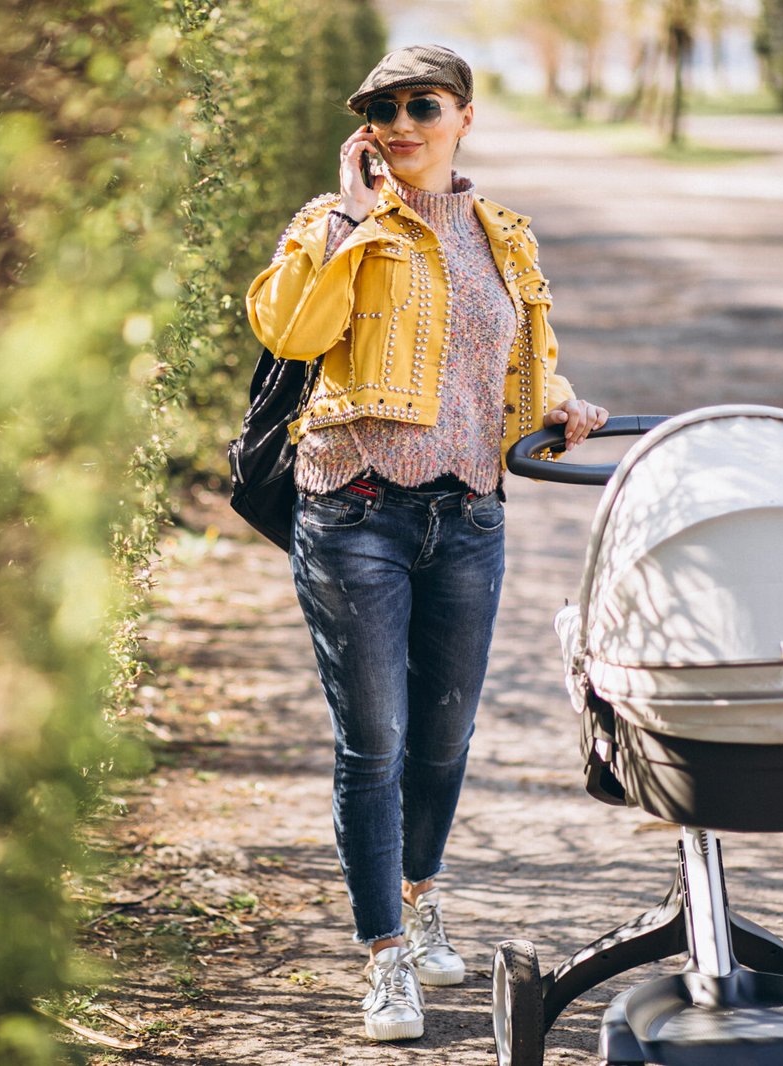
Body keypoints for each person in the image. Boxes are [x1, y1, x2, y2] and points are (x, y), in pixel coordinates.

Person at [245, 44, 608, 1041]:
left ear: (462, 116)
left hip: (470, 517)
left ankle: (421, 895)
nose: (402, 122)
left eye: (422, 104)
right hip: (353, 510)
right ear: (365, 131)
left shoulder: (503, 234)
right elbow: (288, 332)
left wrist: (561, 406)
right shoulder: (332, 226)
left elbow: (516, 362)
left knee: (444, 739)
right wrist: (350, 223)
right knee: (375, 742)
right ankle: (383, 958)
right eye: (383, 109)